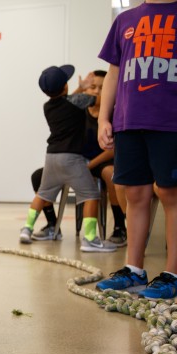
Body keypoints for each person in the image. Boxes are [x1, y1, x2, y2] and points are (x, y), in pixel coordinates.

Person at [95, 0, 177, 297]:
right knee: (135, 193)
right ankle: (134, 269)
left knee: (170, 193)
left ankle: (172, 274)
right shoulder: (125, 20)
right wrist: (105, 117)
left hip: (170, 122)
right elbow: (113, 74)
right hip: (129, 122)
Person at [19, 64, 117, 253]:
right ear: (65, 86)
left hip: (51, 157)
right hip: (71, 158)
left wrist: (81, 87)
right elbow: (97, 100)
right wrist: (89, 87)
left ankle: (27, 228)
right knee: (90, 195)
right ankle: (90, 239)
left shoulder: (48, 106)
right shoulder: (77, 101)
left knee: (42, 194)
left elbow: (68, 100)